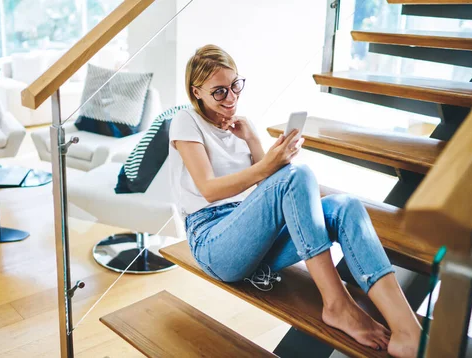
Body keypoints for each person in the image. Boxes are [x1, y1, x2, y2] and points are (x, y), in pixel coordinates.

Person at [168, 44, 421, 358]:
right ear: (197, 92)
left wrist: (254, 141)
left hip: (254, 238)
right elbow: (209, 189)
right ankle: (337, 303)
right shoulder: (185, 121)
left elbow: (270, 185)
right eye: (219, 92)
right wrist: (270, 163)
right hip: (213, 241)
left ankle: (408, 332)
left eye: (235, 86)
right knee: (297, 175)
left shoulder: (240, 128)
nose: (231, 97)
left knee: (346, 206)